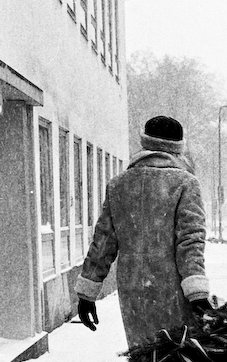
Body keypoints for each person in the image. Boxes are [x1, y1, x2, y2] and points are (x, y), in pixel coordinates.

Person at [74, 115, 213, 349]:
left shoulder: (119, 184)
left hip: (132, 288)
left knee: (143, 358)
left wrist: (87, 293)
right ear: (178, 148)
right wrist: (197, 293)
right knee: (179, 361)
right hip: (174, 289)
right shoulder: (185, 183)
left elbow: (103, 241)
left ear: (145, 144)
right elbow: (190, 240)